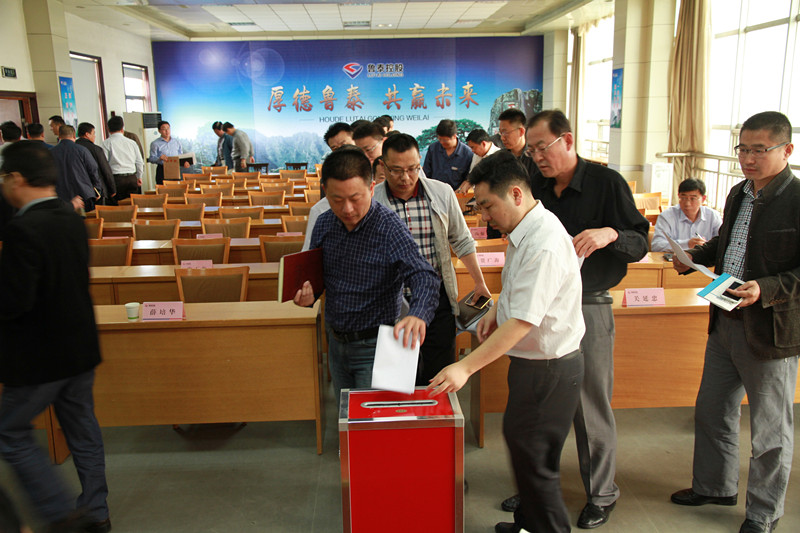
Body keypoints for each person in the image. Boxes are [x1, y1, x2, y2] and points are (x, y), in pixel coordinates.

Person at [498, 109, 649, 529]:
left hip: (588, 304)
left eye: (541, 147)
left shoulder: (606, 182)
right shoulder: (536, 184)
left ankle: (601, 493)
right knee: (539, 405)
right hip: (539, 308)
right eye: (531, 150)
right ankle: (536, 489)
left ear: (567, 140)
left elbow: (641, 240)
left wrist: (610, 234)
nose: (536, 157)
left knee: (590, 404)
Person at [427, 150, 585, 533]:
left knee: (536, 464)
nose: (483, 216)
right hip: (534, 366)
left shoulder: (543, 242)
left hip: (548, 370)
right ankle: (527, 524)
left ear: (515, 194)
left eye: (486, 206)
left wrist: (465, 367)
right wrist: (497, 309)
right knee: (525, 449)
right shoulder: (525, 229)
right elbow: (523, 291)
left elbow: (523, 323)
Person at [669, 111, 800, 533]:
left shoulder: (796, 199)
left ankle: (763, 513)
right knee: (713, 410)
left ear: (787, 150)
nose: (747, 159)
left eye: (759, 150)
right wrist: (694, 258)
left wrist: (767, 287)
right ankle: (715, 486)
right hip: (725, 320)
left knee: (770, 432)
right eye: (742, 149)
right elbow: (728, 244)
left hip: (770, 332)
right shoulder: (739, 193)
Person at [0, 141, 111, 533]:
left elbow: (14, 301)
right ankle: (96, 511)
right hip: (80, 348)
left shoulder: (22, 229)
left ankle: (61, 514)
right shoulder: (70, 216)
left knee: (9, 431)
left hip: (40, 358)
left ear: (16, 179)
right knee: (82, 430)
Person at [293, 147, 440, 403]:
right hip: (337, 343)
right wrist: (309, 294)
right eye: (337, 199)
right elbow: (317, 275)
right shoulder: (324, 223)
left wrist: (418, 314)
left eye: (355, 198)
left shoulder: (389, 227)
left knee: (378, 419)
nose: (347, 209)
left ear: (372, 188)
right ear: (325, 191)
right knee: (347, 413)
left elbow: (424, 275)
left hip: (381, 344)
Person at [374, 133, 491, 385]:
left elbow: (461, 239)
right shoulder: (372, 201)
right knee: (396, 382)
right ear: (382, 166)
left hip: (437, 302)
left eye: (412, 169)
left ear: (420, 162)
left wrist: (479, 282)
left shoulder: (441, 193)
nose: (406, 178)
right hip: (393, 305)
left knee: (439, 376)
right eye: (396, 171)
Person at [650, 178, 722, 252]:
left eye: (693, 199)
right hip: (675, 259)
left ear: (703, 199)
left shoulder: (713, 217)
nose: (687, 203)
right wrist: (687, 244)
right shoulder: (666, 216)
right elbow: (656, 246)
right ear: (678, 196)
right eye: (683, 198)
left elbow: (722, 244)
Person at [51, 125, 102, 212]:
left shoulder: (51, 152)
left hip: (61, 197)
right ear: (74, 135)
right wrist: (97, 190)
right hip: (84, 194)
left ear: (59, 136)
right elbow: (93, 170)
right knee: (88, 219)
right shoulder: (82, 150)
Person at [422, 119, 472, 192]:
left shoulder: (467, 153)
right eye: (439, 139)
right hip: (433, 192)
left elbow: (467, 179)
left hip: (455, 194)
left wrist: (458, 191)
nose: (442, 142)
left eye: (445, 140)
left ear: (454, 136)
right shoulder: (433, 149)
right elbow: (426, 174)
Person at [102, 116, 142, 202]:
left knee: (117, 206)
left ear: (108, 129)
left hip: (116, 179)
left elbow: (104, 164)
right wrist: (139, 176)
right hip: (132, 178)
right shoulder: (132, 143)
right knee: (133, 204)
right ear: (122, 128)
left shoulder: (106, 143)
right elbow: (139, 161)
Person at [76, 122, 116, 205]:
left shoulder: (73, 149)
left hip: (77, 191)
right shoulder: (96, 149)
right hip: (96, 190)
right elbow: (106, 170)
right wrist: (112, 189)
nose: (95, 136)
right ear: (87, 134)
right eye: (93, 133)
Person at [497, 109, 536, 178]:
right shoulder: (499, 157)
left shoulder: (534, 158)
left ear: (521, 131)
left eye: (505, 132)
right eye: (501, 133)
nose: (502, 138)